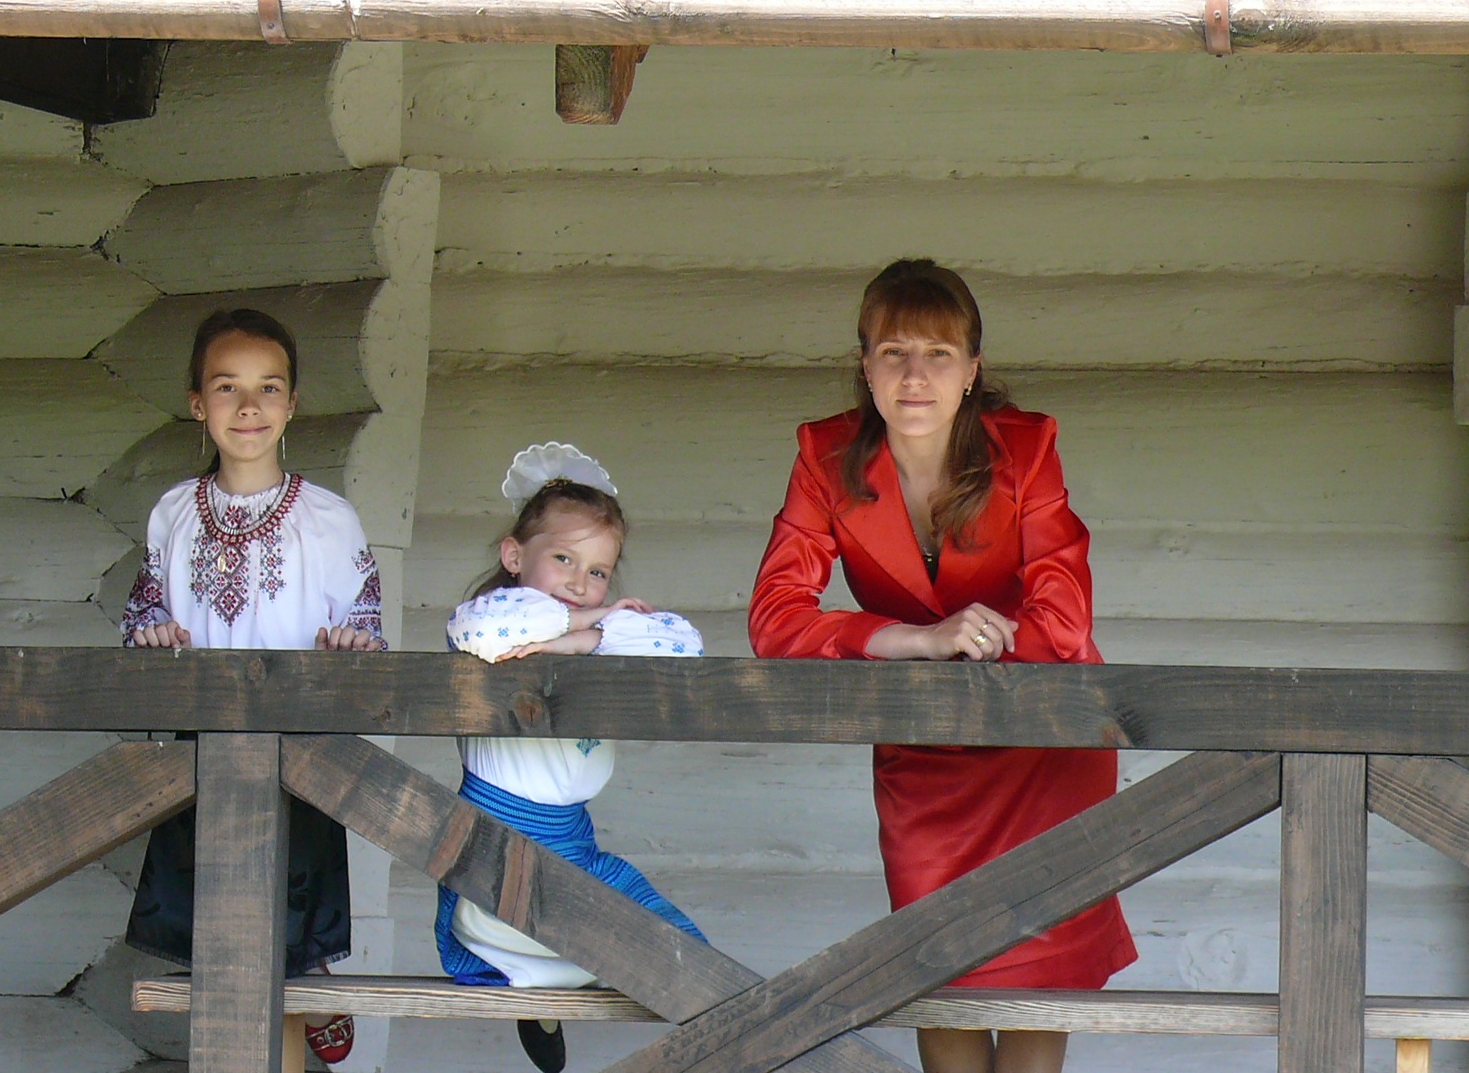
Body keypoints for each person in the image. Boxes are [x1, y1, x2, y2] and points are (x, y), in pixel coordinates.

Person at [748, 259, 1136, 1073]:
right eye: (893, 352)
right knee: (934, 973)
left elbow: (1064, 619)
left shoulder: (1025, 447)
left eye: (938, 354)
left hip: (1041, 742)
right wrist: (914, 640)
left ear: (972, 372)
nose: (915, 376)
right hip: (921, 752)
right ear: (864, 367)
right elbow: (776, 619)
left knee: (1039, 983)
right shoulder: (824, 456)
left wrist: (973, 645)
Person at [121, 307, 386, 1067]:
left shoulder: (329, 519)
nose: (248, 406)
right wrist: (155, 638)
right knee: (220, 949)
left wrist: (349, 649)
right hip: (201, 755)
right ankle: (311, 1005)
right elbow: (144, 616)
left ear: (292, 403)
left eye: (268, 388)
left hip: (296, 756)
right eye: (226, 387)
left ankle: (311, 1000)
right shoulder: (175, 512)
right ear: (197, 403)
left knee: (282, 955)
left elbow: (366, 632)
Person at [437, 442, 706, 1073]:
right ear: (514, 556)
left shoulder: (599, 633)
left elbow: (683, 645)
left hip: (573, 851)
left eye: (599, 572)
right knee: (669, 961)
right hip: (495, 860)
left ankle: (544, 999)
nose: (581, 584)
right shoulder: (495, 616)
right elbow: (486, 633)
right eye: (563, 559)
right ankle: (539, 994)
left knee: (683, 955)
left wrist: (595, 634)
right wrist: (578, 627)